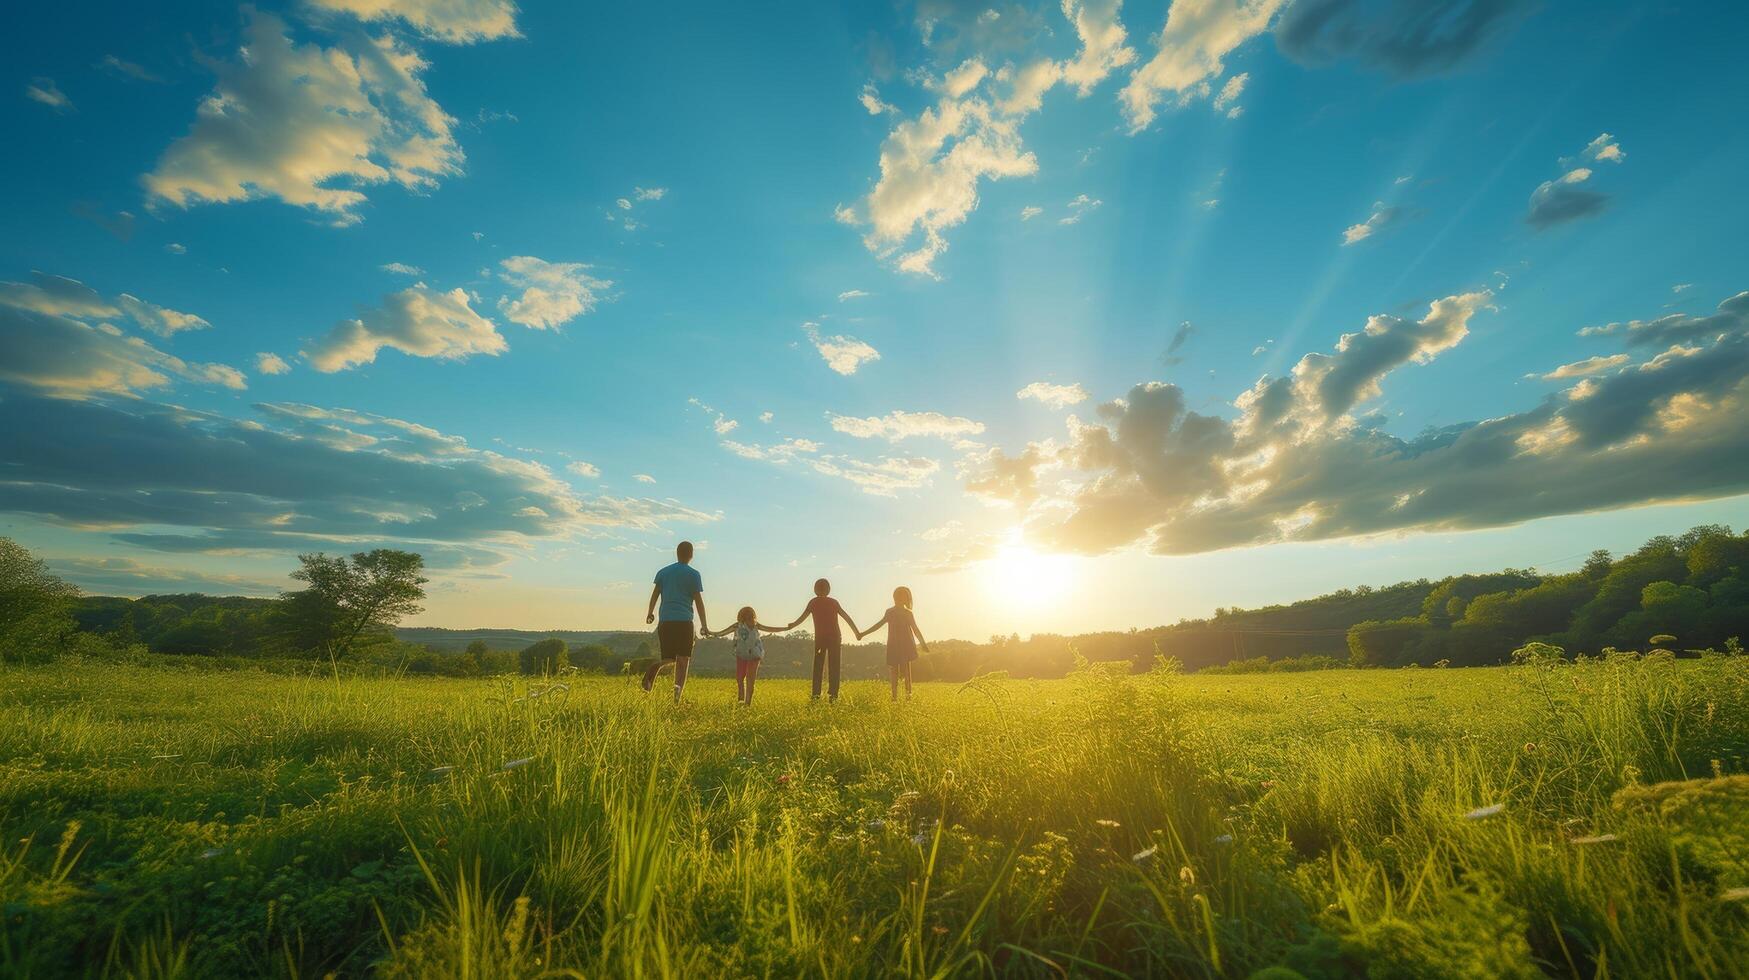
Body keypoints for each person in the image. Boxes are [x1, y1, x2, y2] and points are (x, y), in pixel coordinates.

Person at [643, 541, 710, 701]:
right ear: (691, 554)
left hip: (665, 621)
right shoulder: (693, 574)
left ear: (677, 553)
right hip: (684, 621)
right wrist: (704, 625)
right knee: (683, 660)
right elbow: (698, 602)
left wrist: (650, 613)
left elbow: (655, 594)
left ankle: (656, 666)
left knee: (668, 658)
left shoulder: (663, 572)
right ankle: (676, 698)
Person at [781, 578, 860, 702]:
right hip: (835, 637)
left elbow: (802, 618)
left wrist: (793, 625)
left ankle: (816, 694)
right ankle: (833, 695)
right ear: (828, 590)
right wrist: (857, 632)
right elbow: (846, 617)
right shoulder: (834, 602)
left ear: (815, 590)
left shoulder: (813, 602)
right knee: (834, 665)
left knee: (818, 665)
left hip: (821, 638)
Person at [856, 586, 928, 702]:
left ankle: (896, 698)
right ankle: (907, 697)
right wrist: (923, 644)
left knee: (895, 672)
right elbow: (915, 629)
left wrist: (863, 634)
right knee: (906, 672)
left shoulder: (894, 612)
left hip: (896, 645)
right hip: (904, 645)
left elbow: (878, 625)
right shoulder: (906, 612)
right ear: (906, 599)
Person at [706, 606, 783, 705]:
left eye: (749, 616)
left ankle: (745, 703)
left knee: (747, 679)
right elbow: (722, 632)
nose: (748, 619)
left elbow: (770, 629)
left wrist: (787, 628)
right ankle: (742, 702)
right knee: (742, 678)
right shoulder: (739, 625)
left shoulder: (753, 625)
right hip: (743, 654)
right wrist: (711, 633)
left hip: (752, 654)